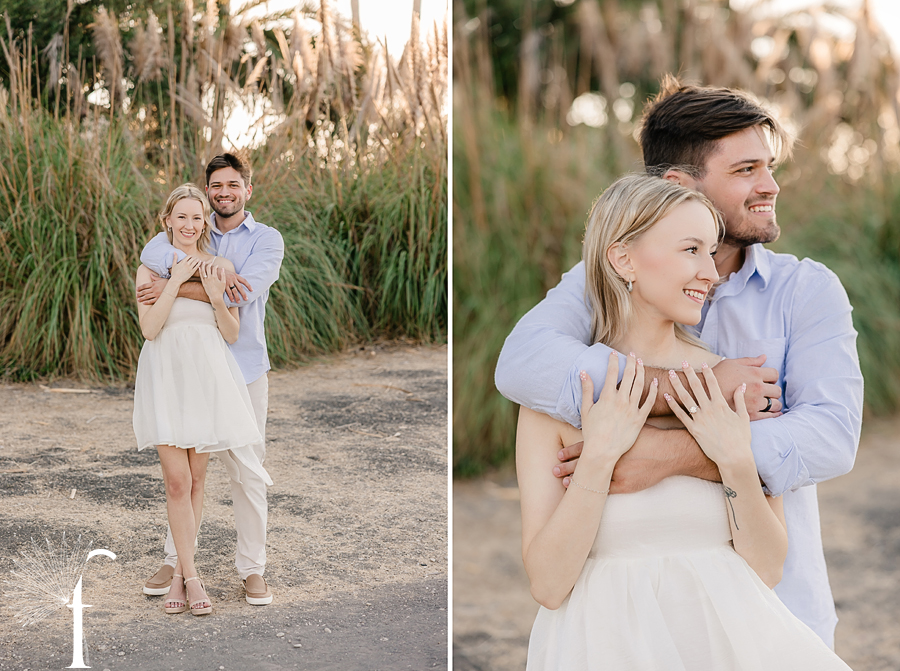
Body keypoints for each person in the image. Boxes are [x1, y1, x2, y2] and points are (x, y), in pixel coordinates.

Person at [496, 78, 863, 647]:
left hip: (775, 619)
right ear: (676, 184)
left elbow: (833, 437)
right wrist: (698, 389)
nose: (770, 186)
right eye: (745, 170)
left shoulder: (805, 290)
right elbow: (521, 362)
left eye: (768, 167)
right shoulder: (601, 282)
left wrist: (670, 452)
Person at [136, 153, 284, 606]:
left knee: (246, 472)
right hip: (191, 371)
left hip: (245, 369)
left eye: (232, 185)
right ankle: (177, 561)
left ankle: (252, 569)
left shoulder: (266, 239)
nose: (224, 193)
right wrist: (189, 276)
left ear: (247, 190)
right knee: (182, 475)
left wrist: (172, 285)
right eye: (216, 186)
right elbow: (153, 253)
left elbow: (240, 291)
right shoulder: (174, 242)